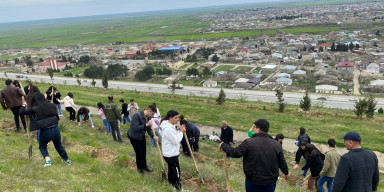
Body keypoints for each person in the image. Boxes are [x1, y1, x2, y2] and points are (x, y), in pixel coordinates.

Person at [220, 119, 290, 192]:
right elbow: (281, 161)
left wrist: (223, 145)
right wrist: (286, 173)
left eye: (254, 127)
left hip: (253, 180)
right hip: (270, 181)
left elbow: (235, 153)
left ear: (258, 129)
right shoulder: (277, 145)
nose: (253, 129)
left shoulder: (248, 142)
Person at [19, 92, 71, 167]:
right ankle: (67, 161)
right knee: (58, 145)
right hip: (56, 129)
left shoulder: (35, 108)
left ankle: (48, 160)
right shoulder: (51, 105)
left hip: (46, 130)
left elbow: (21, 112)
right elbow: (57, 117)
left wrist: (24, 105)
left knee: (42, 146)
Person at [127, 104, 158, 175]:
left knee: (144, 152)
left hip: (141, 136)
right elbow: (135, 128)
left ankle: (144, 166)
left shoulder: (149, 117)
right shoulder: (137, 116)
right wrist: (146, 125)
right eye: (152, 114)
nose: (152, 116)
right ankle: (140, 169)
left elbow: (149, 129)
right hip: (134, 137)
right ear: (149, 111)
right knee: (139, 153)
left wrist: (153, 135)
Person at [160, 110, 186, 190]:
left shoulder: (168, 126)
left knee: (171, 171)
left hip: (169, 153)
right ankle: (179, 189)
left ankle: (172, 186)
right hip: (171, 154)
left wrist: (178, 131)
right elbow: (175, 141)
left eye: (177, 117)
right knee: (176, 173)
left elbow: (173, 136)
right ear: (170, 118)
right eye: (175, 118)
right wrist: (181, 132)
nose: (177, 119)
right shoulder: (168, 129)